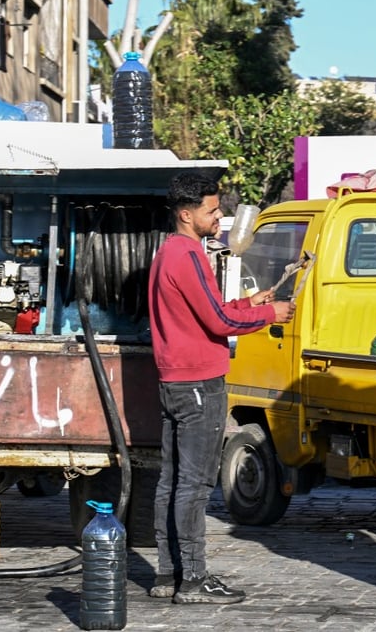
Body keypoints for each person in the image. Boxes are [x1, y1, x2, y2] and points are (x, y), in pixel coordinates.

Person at [148, 172, 295, 604]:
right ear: (186, 214)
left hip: (176, 379)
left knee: (171, 481)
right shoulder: (187, 254)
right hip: (197, 382)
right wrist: (271, 313)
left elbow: (209, 311)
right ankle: (193, 579)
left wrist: (251, 303)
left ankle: (166, 574)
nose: (219, 216)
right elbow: (219, 323)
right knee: (193, 485)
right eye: (212, 210)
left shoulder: (170, 253)